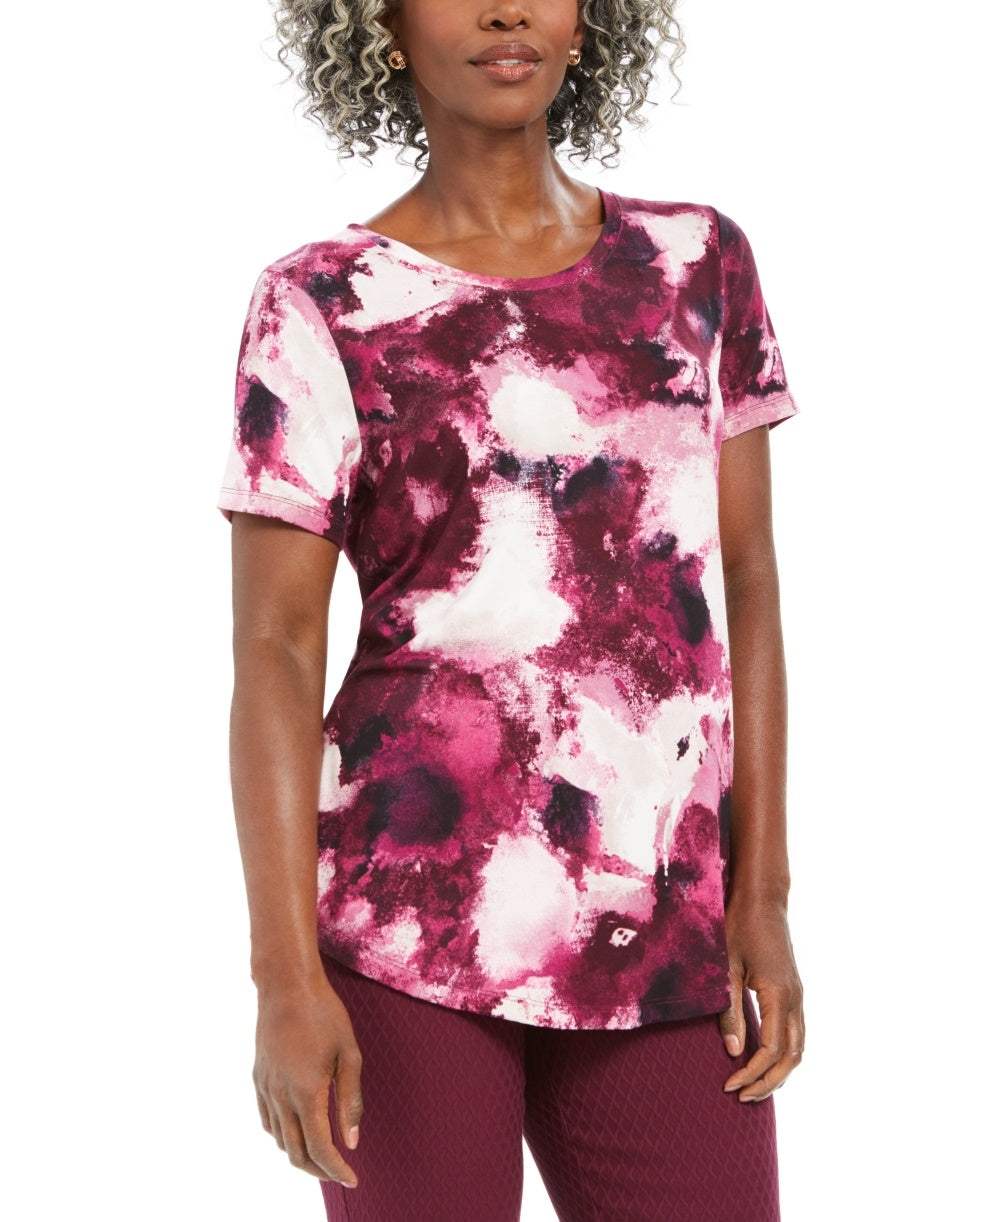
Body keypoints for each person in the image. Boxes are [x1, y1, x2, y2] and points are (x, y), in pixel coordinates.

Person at [217, 1, 806, 1218]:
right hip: (408, 920)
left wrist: (761, 894)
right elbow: (275, 648)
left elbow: (745, 582)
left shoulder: (696, 263)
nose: (505, 7)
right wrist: (283, 976)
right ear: (379, 22)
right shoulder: (321, 301)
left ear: (591, 21)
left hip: (661, 918)